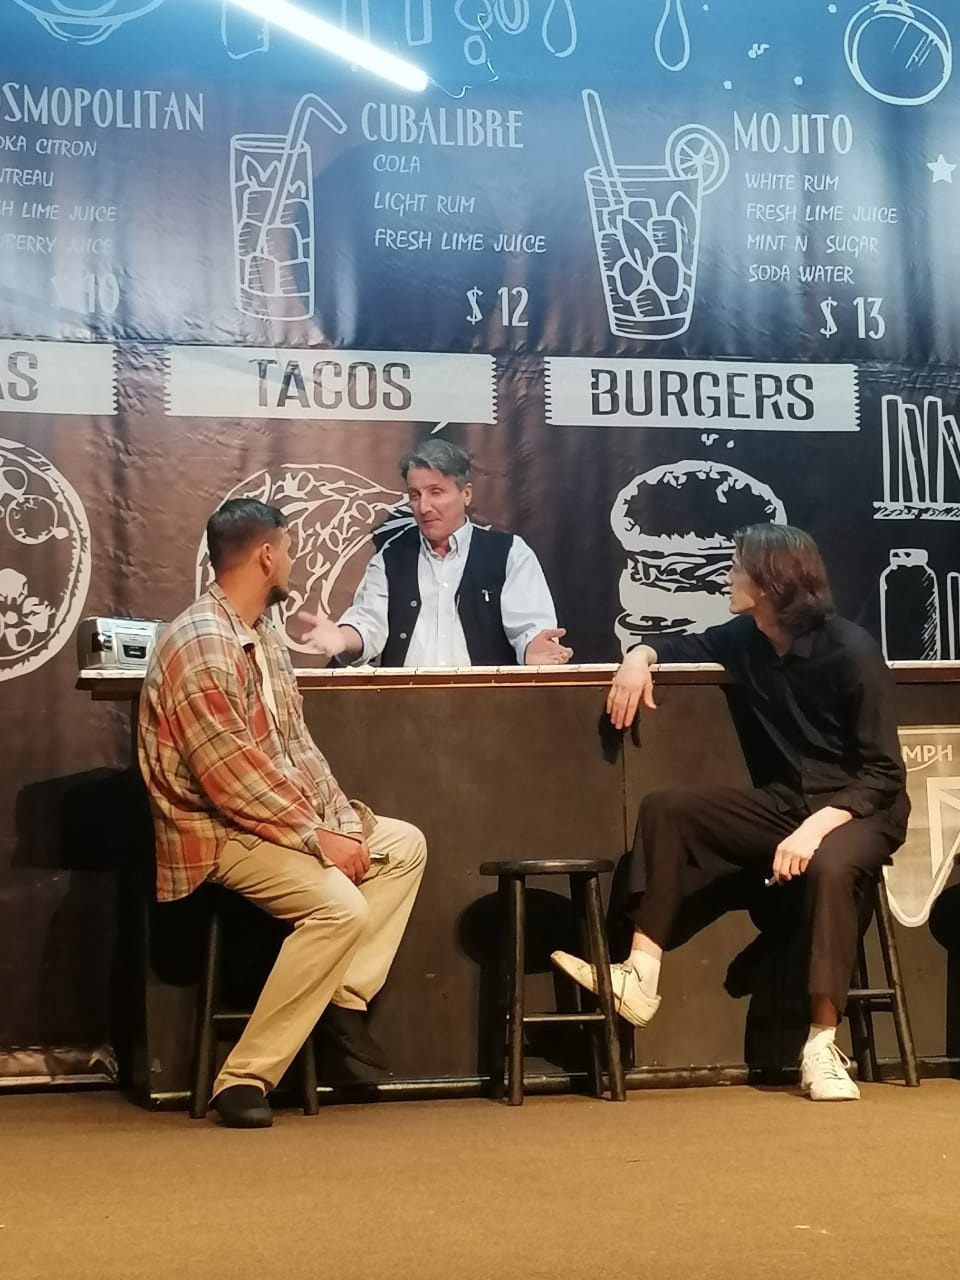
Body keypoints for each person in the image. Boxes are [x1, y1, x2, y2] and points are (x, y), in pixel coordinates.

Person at [552, 524, 909, 1102]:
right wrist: (638, 656)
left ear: (771, 582)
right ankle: (640, 975)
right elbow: (678, 646)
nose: (727, 577)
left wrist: (817, 828)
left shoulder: (852, 651)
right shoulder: (747, 637)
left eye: (737, 568)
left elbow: (885, 773)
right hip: (787, 802)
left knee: (830, 867)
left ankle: (821, 1046)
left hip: (861, 811)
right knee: (669, 810)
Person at [138, 499, 427, 1129]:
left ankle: (341, 997)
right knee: (340, 907)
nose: (292, 561)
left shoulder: (261, 635)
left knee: (403, 844)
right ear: (266, 555)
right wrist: (317, 838)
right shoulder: (201, 642)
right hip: (216, 833)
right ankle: (244, 1078)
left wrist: (338, 822)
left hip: (270, 821)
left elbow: (297, 749)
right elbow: (230, 780)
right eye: (290, 550)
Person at [300, 438, 572, 667]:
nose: (424, 507)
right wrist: (342, 638)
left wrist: (534, 649)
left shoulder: (510, 554)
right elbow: (368, 622)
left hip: (490, 705)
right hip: (405, 707)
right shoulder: (390, 558)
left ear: (466, 494)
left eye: (436, 492)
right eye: (415, 495)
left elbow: (530, 630)